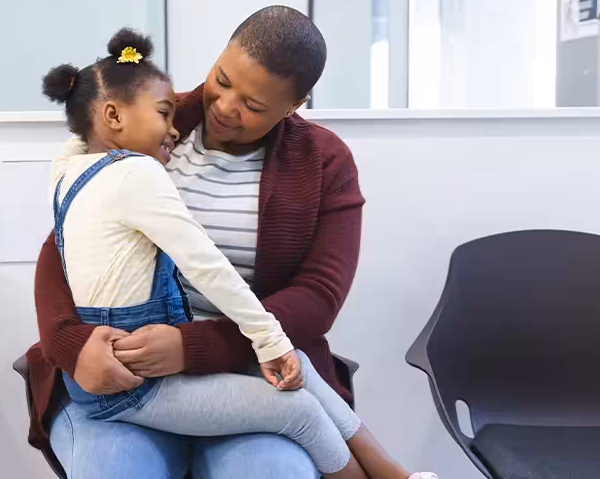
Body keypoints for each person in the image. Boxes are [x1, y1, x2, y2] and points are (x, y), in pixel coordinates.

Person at [38, 26, 431, 479]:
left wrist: (192, 348)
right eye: (221, 80)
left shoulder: (324, 161)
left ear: (294, 105)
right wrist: (70, 343)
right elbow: (62, 248)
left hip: (237, 362)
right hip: (124, 368)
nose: (225, 106)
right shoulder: (154, 122)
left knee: (275, 466)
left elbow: (317, 297)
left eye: (254, 105)